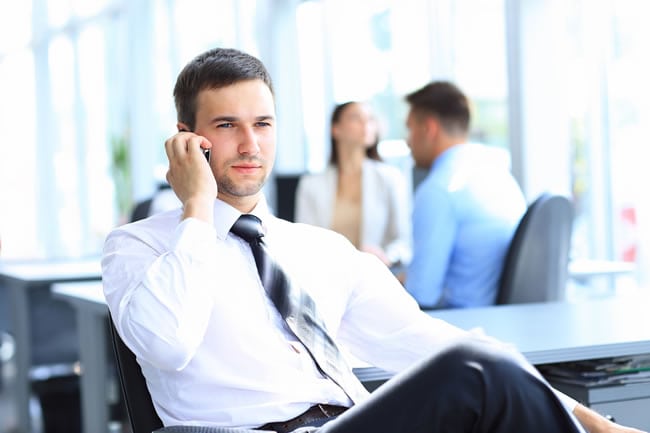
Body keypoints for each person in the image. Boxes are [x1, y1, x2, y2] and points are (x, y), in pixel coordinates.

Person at [101, 47, 644, 433]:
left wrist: (591, 420)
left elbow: (430, 342)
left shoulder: (322, 250)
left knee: (476, 363)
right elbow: (166, 345)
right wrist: (195, 208)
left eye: (263, 124)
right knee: (476, 376)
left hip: (352, 420)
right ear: (185, 138)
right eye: (225, 126)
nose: (249, 144)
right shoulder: (139, 248)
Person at [403, 81, 528, 309]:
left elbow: (421, 295)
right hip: (500, 319)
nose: (407, 141)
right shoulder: (497, 173)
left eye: (409, 128)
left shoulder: (438, 191)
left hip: (460, 324)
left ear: (429, 129)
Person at [294, 101, 411, 268]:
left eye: (370, 119)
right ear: (336, 129)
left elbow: (403, 242)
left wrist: (386, 257)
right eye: (356, 118)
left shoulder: (390, 178)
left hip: (374, 277)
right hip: (327, 277)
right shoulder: (311, 185)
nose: (366, 124)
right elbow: (303, 243)